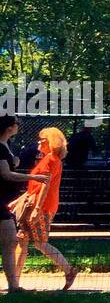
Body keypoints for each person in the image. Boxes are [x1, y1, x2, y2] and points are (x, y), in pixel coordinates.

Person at [15, 127, 76, 290]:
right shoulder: (48, 159)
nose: (39, 142)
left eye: (43, 139)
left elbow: (45, 186)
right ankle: (14, 282)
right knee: (22, 241)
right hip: (35, 205)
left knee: (40, 243)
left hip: (42, 207)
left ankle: (69, 270)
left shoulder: (51, 159)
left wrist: (37, 209)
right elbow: (35, 186)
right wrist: (20, 200)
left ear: (51, 142)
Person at [0, 116, 49, 293]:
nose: (18, 127)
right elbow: (6, 174)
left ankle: (13, 286)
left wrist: (16, 161)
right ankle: (13, 286)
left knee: (10, 243)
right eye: (16, 124)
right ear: (9, 128)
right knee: (10, 242)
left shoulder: (7, 146)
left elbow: (10, 165)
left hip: (5, 202)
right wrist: (33, 177)